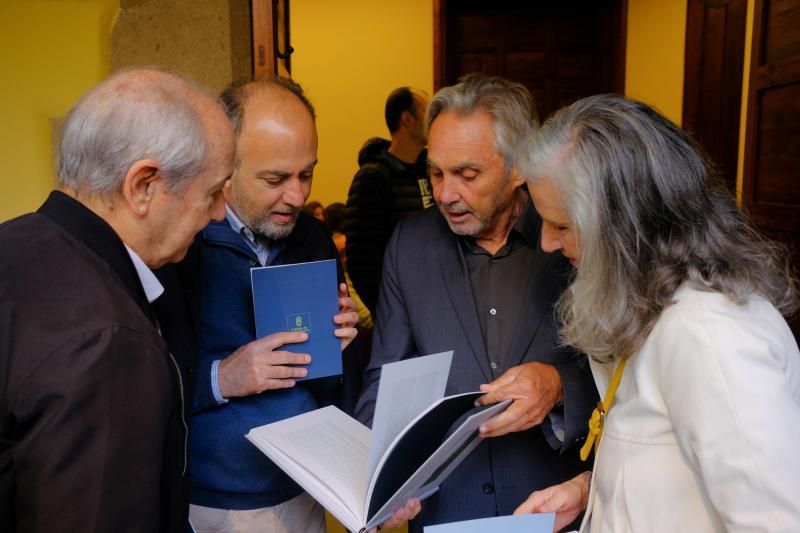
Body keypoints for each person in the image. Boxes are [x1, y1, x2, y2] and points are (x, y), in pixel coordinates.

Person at [512, 94, 800, 532]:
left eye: (563, 225)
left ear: (624, 224)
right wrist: (591, 491)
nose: (548, 243)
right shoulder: (647, 303)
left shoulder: (710, 333)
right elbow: (672, 467)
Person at [163, 75, 414, 533]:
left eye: (307, 174)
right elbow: (140, 381)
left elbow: (328, 390)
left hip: (307, 488)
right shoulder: (180, 245)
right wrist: (223, 378)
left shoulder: (313, 238)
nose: (298, 197)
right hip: (218, 501)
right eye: (276, 179)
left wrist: (336, 351)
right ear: (225, 166)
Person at [354, 73, 597, 532]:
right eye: (436, 172)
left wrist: (560, 385)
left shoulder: (572, 240)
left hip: (556, 508)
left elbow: (626, 380)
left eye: (467, 174)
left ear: (519, 166)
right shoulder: (410, 245)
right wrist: (380, 478)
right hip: (444, 508)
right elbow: (383, 382)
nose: (445, 194)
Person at [0, 68, 234, 532]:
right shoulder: (108, 343)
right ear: (143, 186)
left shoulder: (14, 241)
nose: (219, 213)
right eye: (212, 192)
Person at [343, 86, 433, 314]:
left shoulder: (431, 171)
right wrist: (386, 312)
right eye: (427, 112)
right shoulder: (373, 177)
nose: (433, 119)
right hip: (397, 307)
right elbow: (361, 260)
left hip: (433, 300)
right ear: (407, 119)